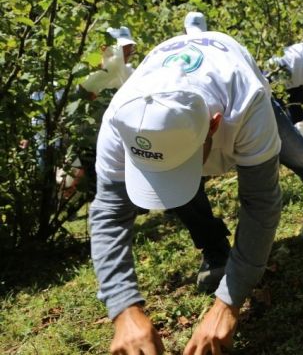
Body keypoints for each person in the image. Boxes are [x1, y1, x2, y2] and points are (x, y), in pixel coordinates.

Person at [89, 31, 283, 354]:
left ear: (214, 125)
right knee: (181, 193)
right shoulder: (118, 120)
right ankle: (216, 249)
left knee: (297, 153)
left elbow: (261, 203)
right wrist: (124, 309)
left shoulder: (246, 101)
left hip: (240, 84)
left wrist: (228, 303)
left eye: (181, 164)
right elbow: (108, 214)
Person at [170, 13, 303, 294]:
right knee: (179, 185)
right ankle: (215, 248)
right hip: (197, 121)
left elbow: (260, 201)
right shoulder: (149, 102)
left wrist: (233, 292)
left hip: (254, 105)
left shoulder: (240, 85)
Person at [79, 26, 137, 101]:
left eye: (129, 53)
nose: (125, 60)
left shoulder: (129, 74)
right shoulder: (87, 71)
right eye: (123, 52)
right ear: (105, 48)